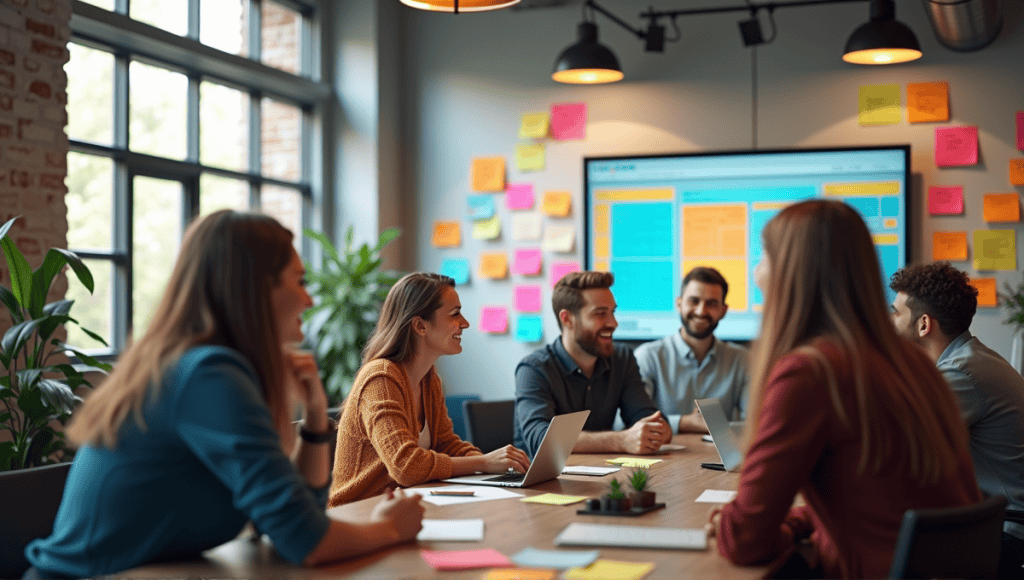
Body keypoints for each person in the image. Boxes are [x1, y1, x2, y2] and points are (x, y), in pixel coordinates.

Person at [24, 211, 425, 578]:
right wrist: (391, 527)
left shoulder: (196, 366)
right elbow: (306, 541)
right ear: (256, 289)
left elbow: (301, 515)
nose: (310, 300)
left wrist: (317, 416)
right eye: (298, 281)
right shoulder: (207, 374)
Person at [711, 200, 980, 579]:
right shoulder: (912, 362)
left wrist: (764, 528)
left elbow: (744, 540)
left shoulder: (810, 371)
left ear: (791, 273)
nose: (755, 273)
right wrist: (800, 523)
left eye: (763, 257)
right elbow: (877, 495)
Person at [329, 273, 530, 506]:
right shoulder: (380, 378)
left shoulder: (429, 379)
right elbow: (405, 466)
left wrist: (504, 467)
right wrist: (484, 463)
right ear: (420, 326)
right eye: (455, 314)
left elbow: (447, 445)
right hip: (357, 515)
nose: (464, 323)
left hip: (403, 508)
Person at [890, 261, 1024, 579]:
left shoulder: (961, 374)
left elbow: (903, 449)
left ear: (923, 324)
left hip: (1007, 536)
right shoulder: (970, 359)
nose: (889, 321)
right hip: (993, 523)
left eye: (896, 312)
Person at [514, 271, 672, 459]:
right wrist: (621, 440)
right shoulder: (534, 369)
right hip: (541, 483)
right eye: (600, 314)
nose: (613, 323)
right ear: (567, 319)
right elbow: (541, 440)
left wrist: (657, 430)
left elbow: (647, 417)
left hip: (601, 474)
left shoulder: (622, 358)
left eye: (612, 312)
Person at [634, 266, 749, 433]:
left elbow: (756, 421)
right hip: (663, 456)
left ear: (723, 311)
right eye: (694, 301)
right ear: (679, 304)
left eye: (712, 303)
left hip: (719, 457)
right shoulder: (648, 357)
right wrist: (684, 422)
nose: (701, 311)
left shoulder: (743, 360)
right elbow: (632, 420)